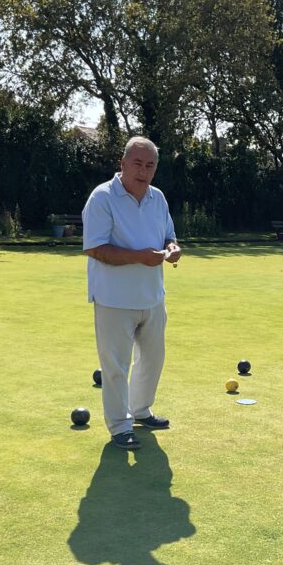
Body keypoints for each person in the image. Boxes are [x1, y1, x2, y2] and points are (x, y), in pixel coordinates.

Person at [82, 137, 181, 450]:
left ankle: (140, 410)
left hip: (152, 295)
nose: (143, 171)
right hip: (113, 299)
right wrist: (140, 257)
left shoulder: (158, 198)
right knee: (115, 367)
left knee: (152, 359)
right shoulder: (102, 197)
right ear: (123, 164)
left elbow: (168, 236)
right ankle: (120, 426)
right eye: (137, 164)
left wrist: (172, 248)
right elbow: (96, 248)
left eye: (150, 165)